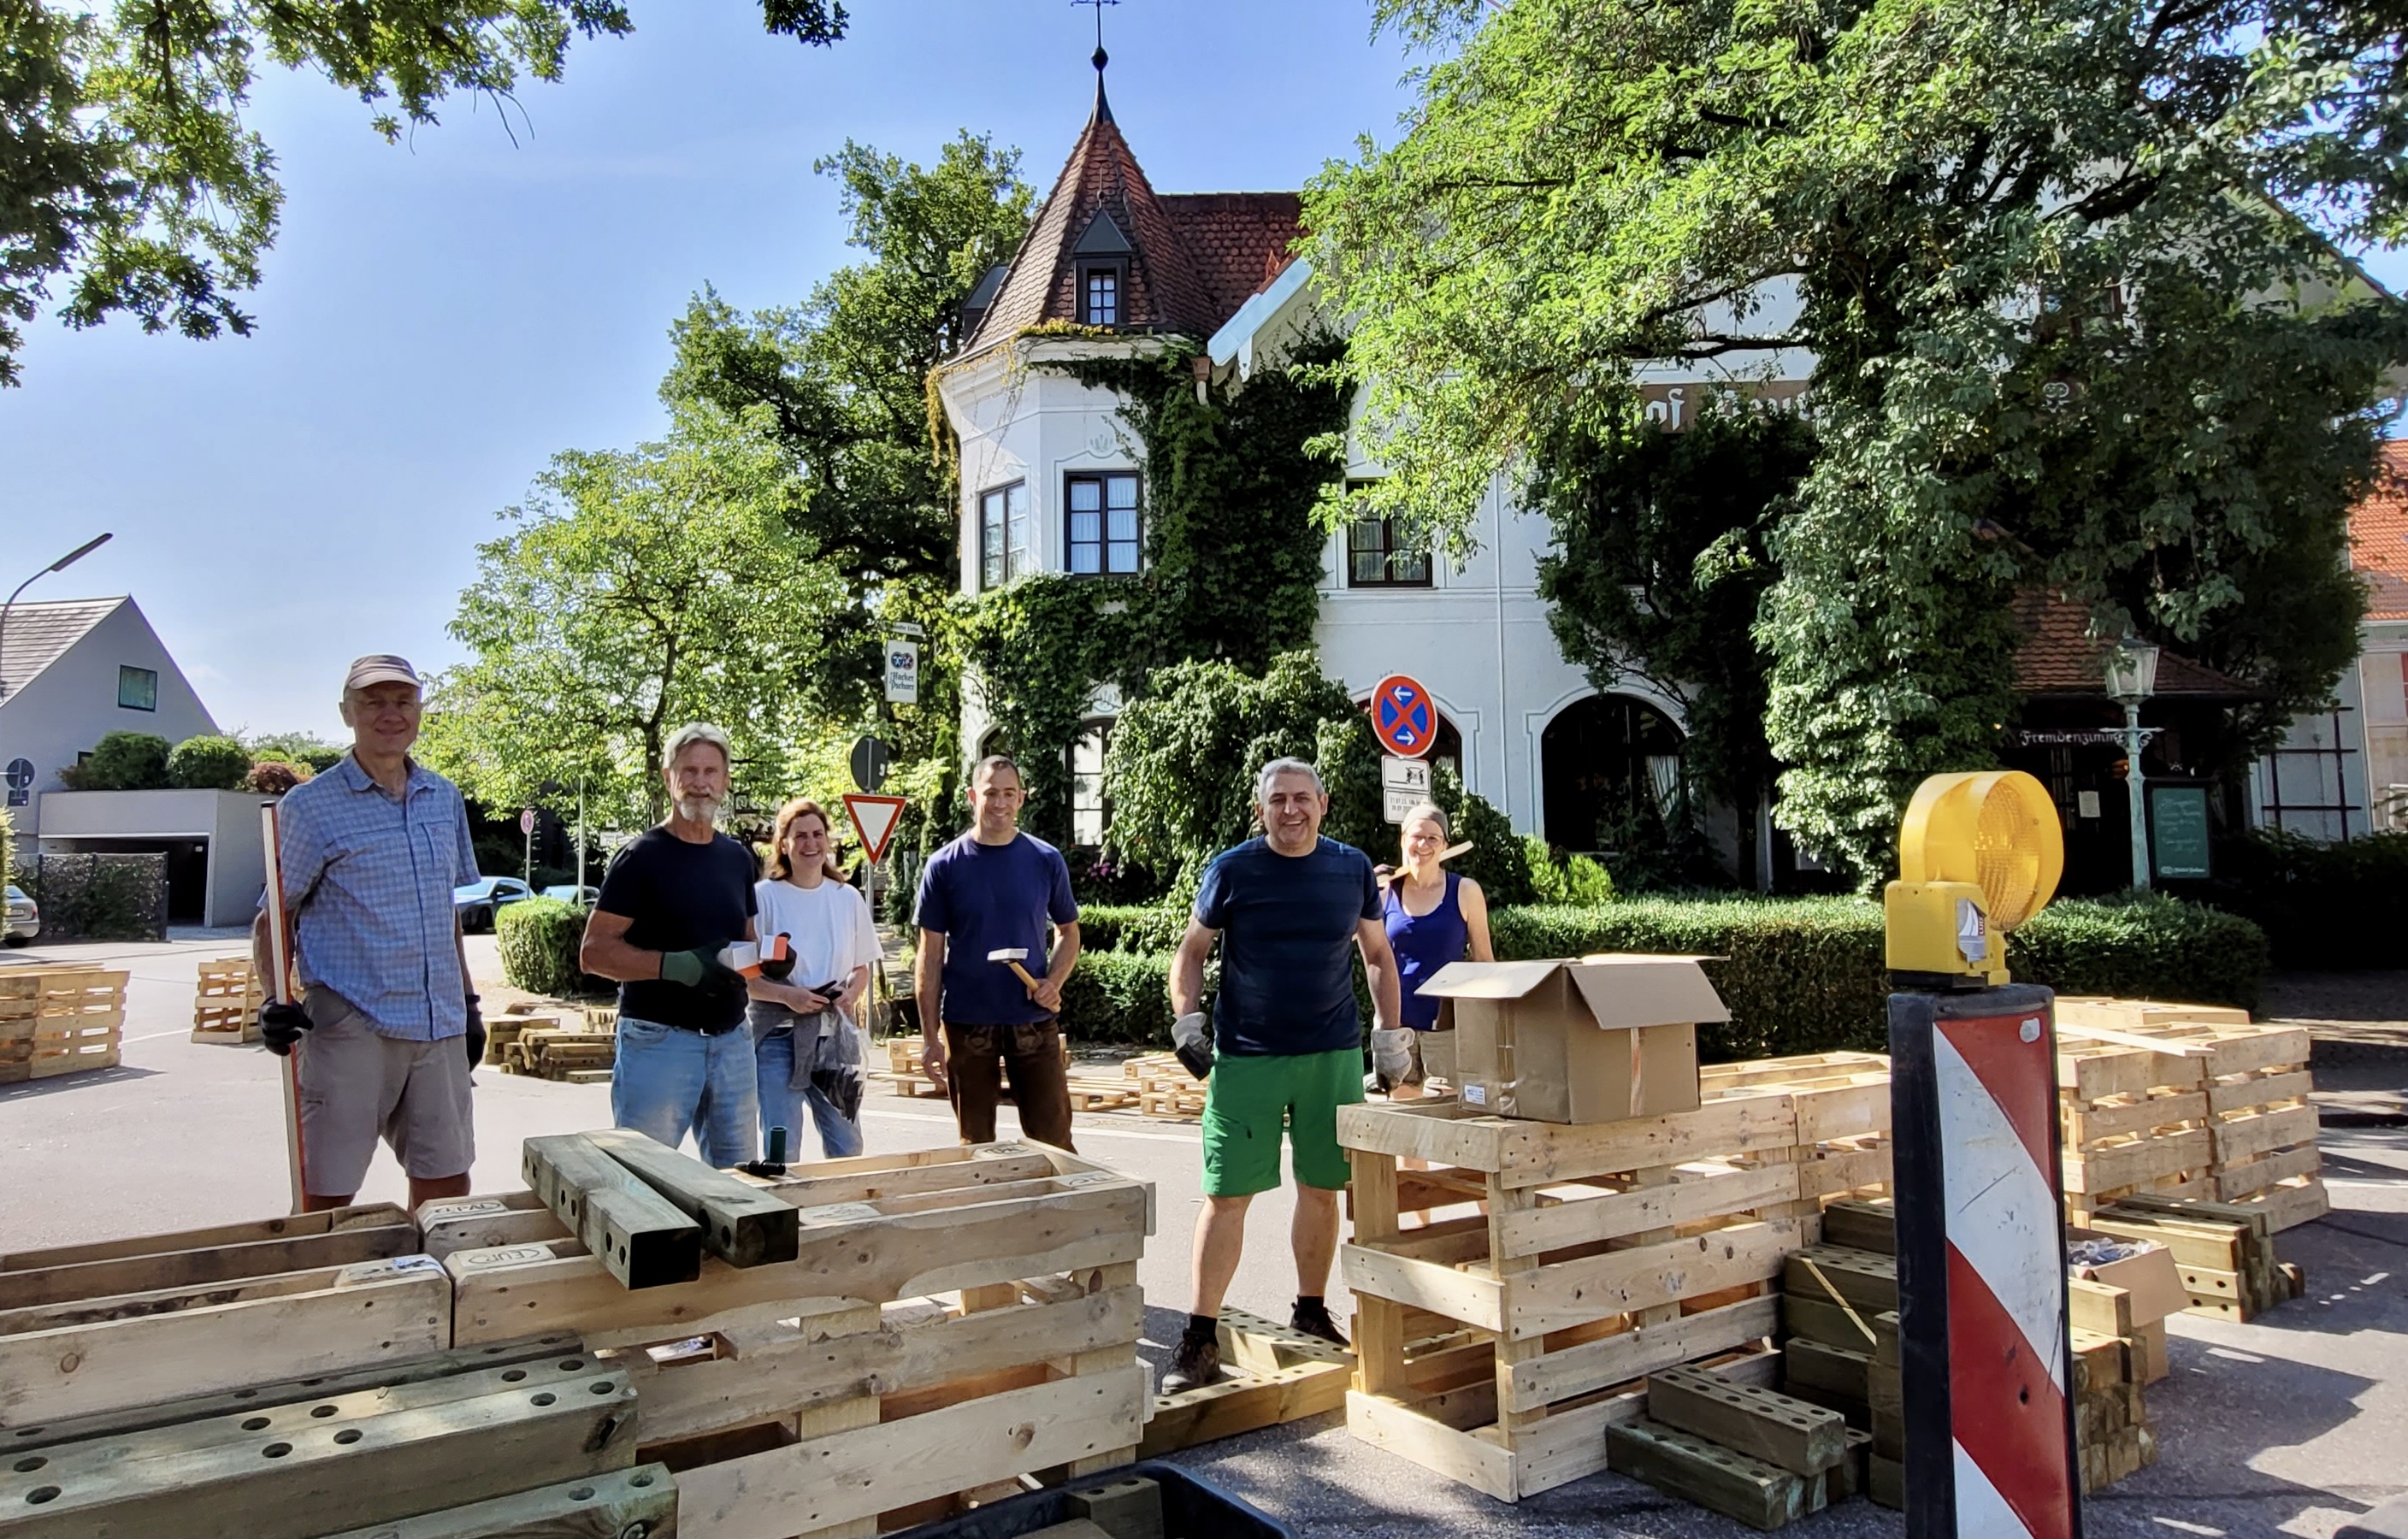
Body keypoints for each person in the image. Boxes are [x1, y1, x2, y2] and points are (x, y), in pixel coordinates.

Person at [1161, 758, 1404, 1393]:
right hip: (1247, 1056)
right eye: (1278, 800)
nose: (1291, 810)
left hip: (1331, 1054)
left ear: (1322, 803)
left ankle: (1310, 1308)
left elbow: (1377, 953)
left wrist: (1388, 1033)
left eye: (1302, 798)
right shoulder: (1232, 869)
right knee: (1227, 1196)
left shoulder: (1350, 867)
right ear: (1260, 807)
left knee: (1323, 1188)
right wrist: (1186, 1019)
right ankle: (1199, 1336)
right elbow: (1192, 950)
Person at [254, 655, 481, 1213]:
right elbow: (273, 917)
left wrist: (470, 1002)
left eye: (403, 701)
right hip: (353, 1026)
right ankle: (323, 1293)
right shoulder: (309, 807)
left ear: (419, 711)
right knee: (326, 1198)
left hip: (438, 1026)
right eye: (373, 701)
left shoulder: (443, 798)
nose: (390, 714)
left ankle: (425, 1290)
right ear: (347, 712)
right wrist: (272, 998)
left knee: (447, 1188)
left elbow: (444, 908)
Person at [581, 723, 761, 1167]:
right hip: (659, 1042)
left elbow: (747, 944)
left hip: (732, 1042)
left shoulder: (737, 858)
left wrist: (770, 963)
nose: (700, 783)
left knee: (741, 1191)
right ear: (669, 778)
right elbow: (593, 952)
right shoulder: (641, 857)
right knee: (646, 1183)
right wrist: (675, 966)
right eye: (689, 771)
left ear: (726, 780)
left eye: (711, 772)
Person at [912, 755, 1081, 1152]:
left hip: (1033, 1021)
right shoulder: (944, 866)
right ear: (973, 796)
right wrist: (928, 1036)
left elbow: (1069, 934)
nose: (1000, 802)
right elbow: (930, 956)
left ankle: (1055, 1213)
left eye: (1009, 793)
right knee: (976, 1144)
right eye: (991, 793)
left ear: (1021, 798)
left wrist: (1053, 982)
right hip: (968, 1024)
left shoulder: (1045, 860)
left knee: (1054, 1141)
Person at [747, 796, 879, 1160]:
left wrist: (852, 991)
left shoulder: (846, 897)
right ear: (784, 844)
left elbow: (861, 967)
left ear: (828, 841)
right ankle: (783, 1214)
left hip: (835, 1036)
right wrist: (788, 997)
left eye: (817, 834)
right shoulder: (764, 898)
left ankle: (845, 1214)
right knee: (781, 1144)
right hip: (778, 1037)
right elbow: (747, 977)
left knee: (847, 1143)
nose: (811, 844)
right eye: (800, 836)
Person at [1377, 800, 1493, 1100]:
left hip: (1446, 1027)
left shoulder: (1465, 890)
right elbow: (1355, 940)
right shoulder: (1386, 892)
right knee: (1406, 1130)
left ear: (1444, 845)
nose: (1423, 844)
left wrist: (1485, 1025)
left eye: (1433, 837)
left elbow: (1484, 960)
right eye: (1416, 836)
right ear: (1403, 841)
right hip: (1397, 1026)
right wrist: (1363, 890)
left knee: (1446, 1127)